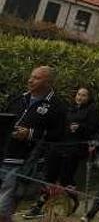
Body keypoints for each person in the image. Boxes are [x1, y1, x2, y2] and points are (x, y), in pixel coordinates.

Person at [1, 66, 66, 222]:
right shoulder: (18, 99)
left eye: (37, 78)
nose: (30, 80)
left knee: (3, 208)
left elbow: (59, 136)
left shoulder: (57, 107)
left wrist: (30, 134)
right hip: (4, 156)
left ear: (49, 82)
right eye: (31, 76)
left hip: (24, 163)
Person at [24, 87, 99, 219]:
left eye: (84, 95)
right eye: (78, 94)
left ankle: (74, 200)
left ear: (89, 98)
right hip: (58, 146)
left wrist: (80, 127)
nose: (80, 97)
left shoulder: (91, 111)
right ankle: (38, 206)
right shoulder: (69, 108)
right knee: (49, 177)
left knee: (65, 180)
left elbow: (94, 129)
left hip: (74, 149)